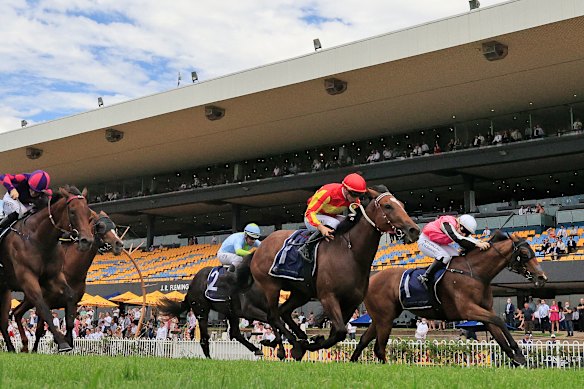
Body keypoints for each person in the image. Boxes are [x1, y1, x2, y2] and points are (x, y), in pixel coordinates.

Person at [298, 173, 367, 259]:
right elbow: (309, 213)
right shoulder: (327, 193)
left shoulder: (354, 199)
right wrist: (321, 227)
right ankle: (307, 247)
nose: (355, 198)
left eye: (359, 195)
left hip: (330, 216)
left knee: (348, 221)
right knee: (334, 223)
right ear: (345, 189)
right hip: (313, 218)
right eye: (354, 195)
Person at [416, 214, 490, 289]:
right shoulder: (447, 223)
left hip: (438, 242)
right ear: (459, 224)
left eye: (467, 233)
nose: (464, 234)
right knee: (444, 256)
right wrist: (477, 244)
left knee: (456, 256)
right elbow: (456, 237)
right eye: (464, 231)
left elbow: (469, 238)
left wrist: (480, 242)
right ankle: (426, 277)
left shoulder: (460, 227)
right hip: (425, 240)